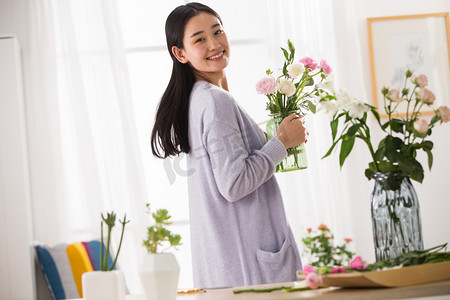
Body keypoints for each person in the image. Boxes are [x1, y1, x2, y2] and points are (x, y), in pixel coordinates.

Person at [151, 2, 307, 289]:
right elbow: (234, 184)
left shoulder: (197, 99)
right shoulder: (215, 100)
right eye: (199, 39)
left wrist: (267, 144)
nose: (214, 44)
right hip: (249, 270)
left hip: (225, 267)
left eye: (218, 31)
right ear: (180, 53)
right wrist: (282, 142)